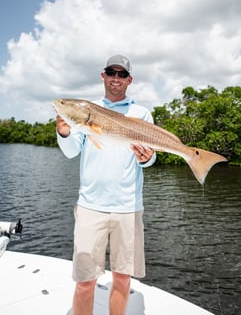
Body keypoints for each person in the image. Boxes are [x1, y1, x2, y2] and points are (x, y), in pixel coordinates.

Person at [56, 54, 156, 315]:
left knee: (123, 279)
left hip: (128, 207)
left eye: (122, 74)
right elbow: (69, 152)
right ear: (103, 75)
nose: (116, 78)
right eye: (111, 72)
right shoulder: (86, 112)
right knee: (85, 282)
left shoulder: (141, 113)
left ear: (129, 80)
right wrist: (64, 132)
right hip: (91, 207)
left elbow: (150, 157)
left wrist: (148, 158)